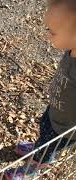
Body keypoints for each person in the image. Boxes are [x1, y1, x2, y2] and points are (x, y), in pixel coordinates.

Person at [6, 0, 76, 179]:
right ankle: (39, 148)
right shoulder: (72, 49)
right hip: (56, 110)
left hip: (65, 129)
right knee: (44, 130)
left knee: (49, 146)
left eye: (52, 32)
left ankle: (36, 166)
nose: (48, 36)